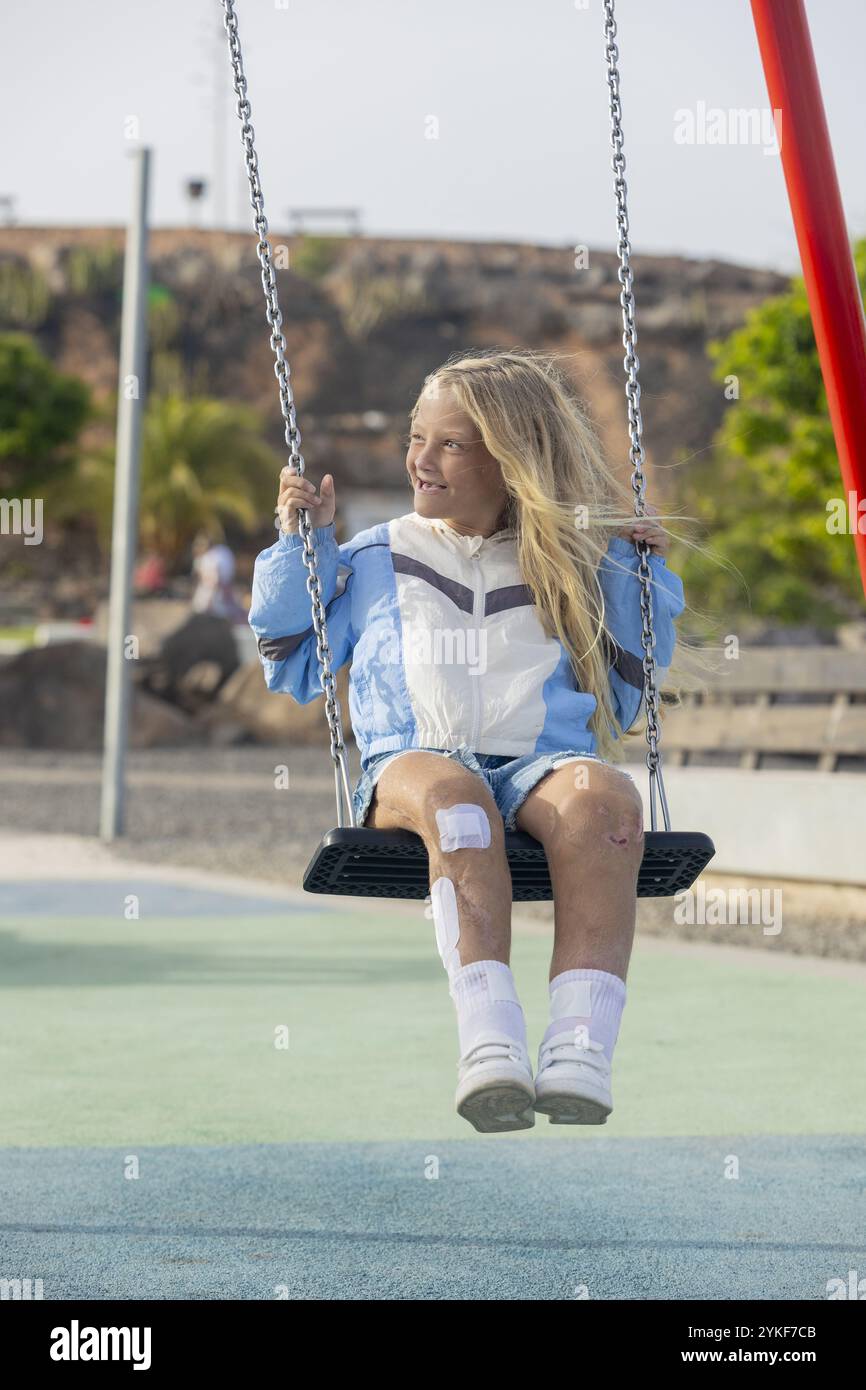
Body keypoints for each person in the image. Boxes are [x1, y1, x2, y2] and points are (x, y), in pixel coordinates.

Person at [249, 348, 686, 1134]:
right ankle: (490, 1040)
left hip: (540, 764)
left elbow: (627, 685)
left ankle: (581, 1050)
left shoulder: (564, 561)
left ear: (510, 458)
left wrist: (637, 575)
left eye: (451, 443)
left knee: (606, 804)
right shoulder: (375, 558)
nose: (422, 459)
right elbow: (296, 665)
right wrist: (302, 547)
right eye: (418, 438)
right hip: (415, 764)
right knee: (460, 800)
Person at [191, 533, 247, 623]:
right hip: (220, 587)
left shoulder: (211, 557)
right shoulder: (222, 552)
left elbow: (215, 577)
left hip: (217, 590)